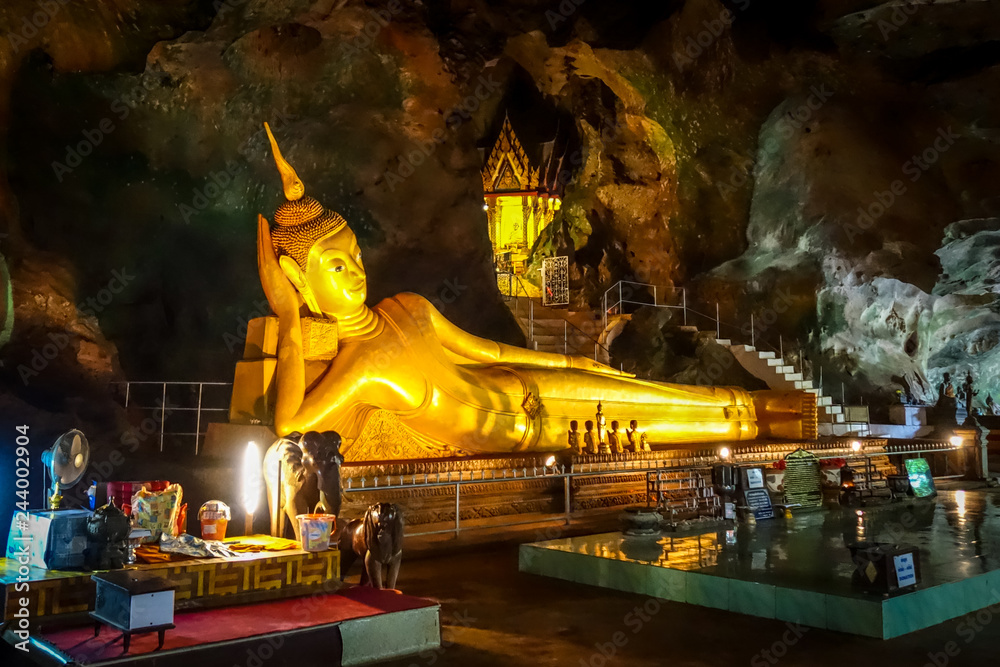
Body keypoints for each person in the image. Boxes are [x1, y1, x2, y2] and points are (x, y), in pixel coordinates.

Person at [247, 124, 816, 460]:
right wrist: (289, 317)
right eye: (333, 266)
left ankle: (783, 411)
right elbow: (291, 423)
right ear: (301, 281)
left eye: (354, 256)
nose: (354, 270)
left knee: (637, 387)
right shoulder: (362, 362)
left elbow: (487, 351)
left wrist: (571, 360)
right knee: (656, 417)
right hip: (521, 427)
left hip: (517, 382)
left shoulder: (408, 309)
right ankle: (765, 416)